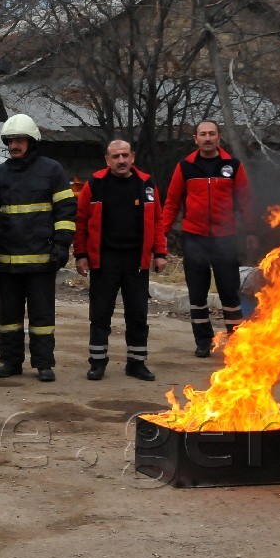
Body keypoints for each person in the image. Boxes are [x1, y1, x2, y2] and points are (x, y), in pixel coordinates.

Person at [0, 114, 76, 383]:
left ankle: (44, 364)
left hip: (41, 260)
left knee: (42, 317)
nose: (15, 145)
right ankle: (11, 362)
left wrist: (62, 246)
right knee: (9, 318)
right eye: (10, 141)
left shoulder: (51, 171)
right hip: (7, 262)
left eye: (19, 140)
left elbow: (66, 210)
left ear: (32, 141)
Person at [160, 119, 257, 357]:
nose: (207, 138)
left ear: (219, 137)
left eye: (211, 133)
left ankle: (236, 342)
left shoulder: (233, 166)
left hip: (226, 239)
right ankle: (203, 342)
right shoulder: (186, 167)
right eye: (202, 134)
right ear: (196, 139)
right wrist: (161, 232)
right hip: (194, 239)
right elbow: (172, 203)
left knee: (230, 293)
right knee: (197, 294)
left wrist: (252, 231)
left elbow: (245, 201)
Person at [73, 140, 168, 382]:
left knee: (138, 314)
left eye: (125, 155)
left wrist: (160, 253)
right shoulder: (96, 184)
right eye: (115, 156)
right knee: (100, 313)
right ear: (107, 160)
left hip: (137, 261)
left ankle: (137, 363)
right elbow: (81, 221)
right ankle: (97, 362)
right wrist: (81, 254)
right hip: (104, 260)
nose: (121, 160)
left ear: (133, 157)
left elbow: (158, 220)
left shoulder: (145, 184)